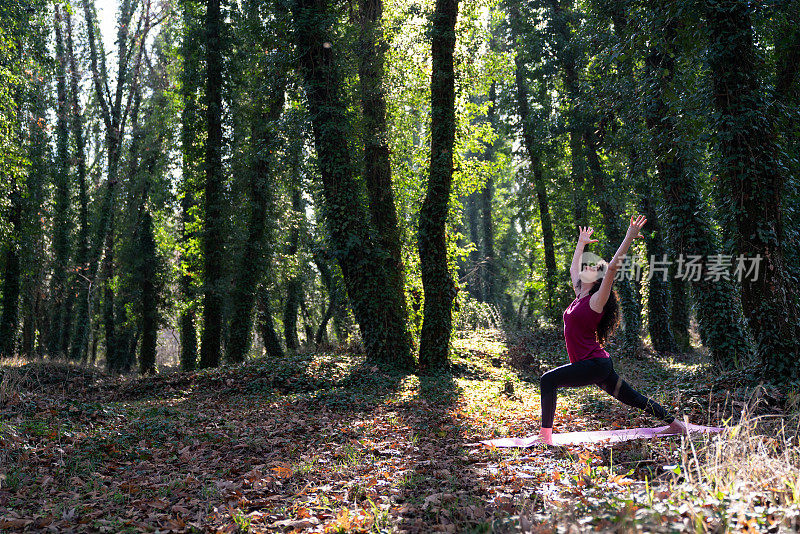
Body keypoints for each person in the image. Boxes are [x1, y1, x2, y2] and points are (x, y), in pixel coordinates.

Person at [538, 215, 687, 445]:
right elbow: (572, 266)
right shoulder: (579, 295)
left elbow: (613, 268)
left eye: (589, 267)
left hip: (593, 365)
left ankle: (544, 437)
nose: (584, 267)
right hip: (598, 365)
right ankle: (676, 425)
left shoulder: (597, 300)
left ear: (596, 277)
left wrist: (628, 237)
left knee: (548, 380)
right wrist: (581, 242)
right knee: (633, 398)